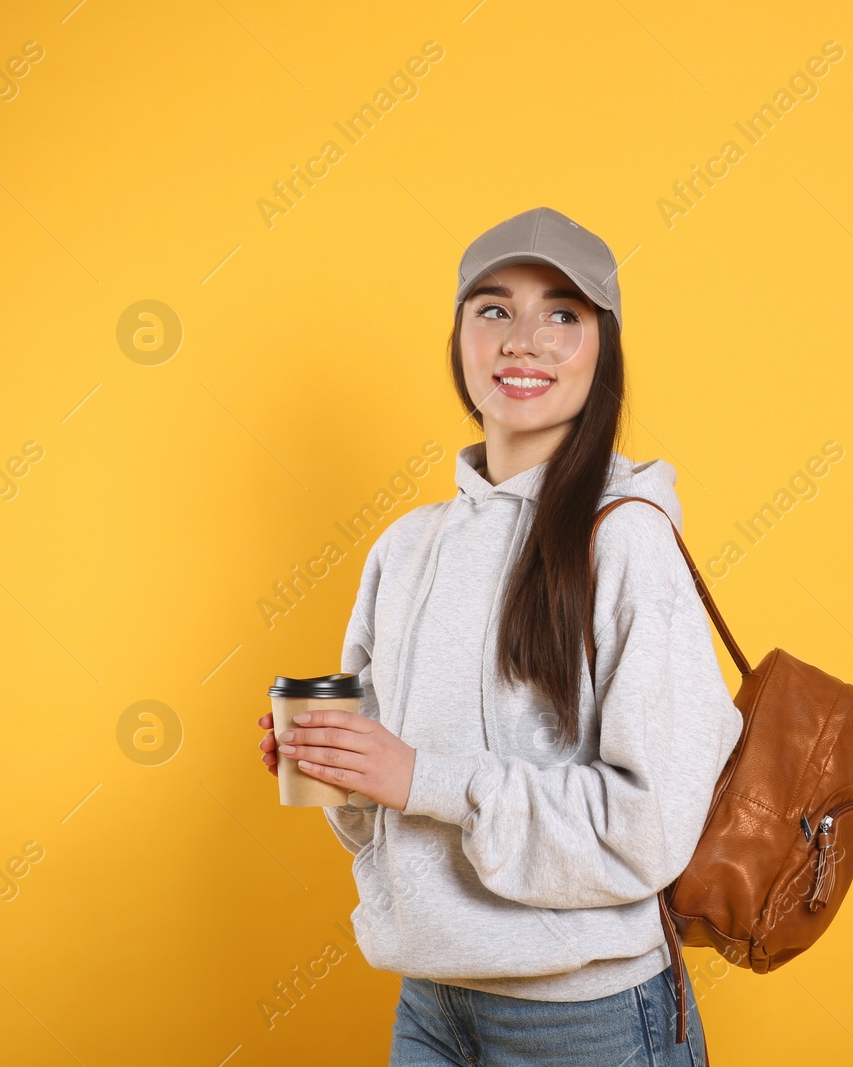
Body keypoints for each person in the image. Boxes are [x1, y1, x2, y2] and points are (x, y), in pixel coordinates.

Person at [256, 206, 742, 1066]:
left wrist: (421, 775)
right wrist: (346, 773)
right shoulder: (405, 548)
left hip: (584, 1016)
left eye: (564, 313)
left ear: (605, 350)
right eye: (493, 309)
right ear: (459, 340)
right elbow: (380, 826)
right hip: (431, 1003)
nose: (525, 339)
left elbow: (649, 828)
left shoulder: (625, 538)